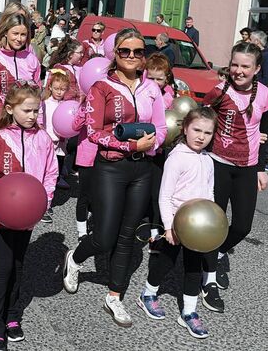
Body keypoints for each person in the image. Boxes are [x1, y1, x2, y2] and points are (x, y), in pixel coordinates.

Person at [62, 28, 167, 327]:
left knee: (128, 236)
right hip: (110, 167)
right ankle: (75, 258)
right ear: (114, 54)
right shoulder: (101, 87)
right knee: (105, 236)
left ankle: (115, 296)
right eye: (125, 51)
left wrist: (153, 144)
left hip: (142, 168)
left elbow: (160, 127)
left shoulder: (152, 89)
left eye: (138, 52)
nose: (132, 57)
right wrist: (131, 145)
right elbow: (94, 133)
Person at [0, 82, 58, 351]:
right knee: (3, 267)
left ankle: (12, 316)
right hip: (0, 215)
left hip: (29, 215)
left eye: (36, 111)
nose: (32, 116)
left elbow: (50, 173)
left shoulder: (44, 138)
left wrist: (44, 201)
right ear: (10, 109)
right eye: (26, 110)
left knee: (19, 265)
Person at [202, 41, 268, 313]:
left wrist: (262, 168)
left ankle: (220, 253)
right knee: (213, 226)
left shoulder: (265, 95)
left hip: (247, 167)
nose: (238, 71)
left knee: (243, 226)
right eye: (235, 65)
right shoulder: (218, 91)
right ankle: (207, 279)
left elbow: (266, 133)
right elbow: (201, 123)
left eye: (245, 66)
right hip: (218, 165)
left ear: (256, 69)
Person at [137, 107, 217, 340]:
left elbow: (209, 193)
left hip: (198, 226)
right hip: (176, 222)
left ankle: (189, 312)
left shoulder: (208, 160)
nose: (201, 136)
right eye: (197, 130)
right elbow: (165, 196)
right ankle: (148, 294)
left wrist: (210, 222)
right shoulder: (177, 157)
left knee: (194, 266)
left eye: (208, 133)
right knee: (166, 261)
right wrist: (169, 226)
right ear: (185, 128)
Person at [0, 14, 41, 130]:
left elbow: (38, 95)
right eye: (15, 33)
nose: (19, 39)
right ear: (6, 32)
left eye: (23, 35)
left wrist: (39, 123)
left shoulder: (32, 60)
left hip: (23, 124)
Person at [144, 53, 176, 251]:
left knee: (158, 192)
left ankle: (156, 232)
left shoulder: (169, 96)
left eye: (159, 79)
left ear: (167, 79)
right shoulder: (141, 91)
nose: (155, 83)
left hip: (159, 151)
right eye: (151, 78)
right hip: (141, 147)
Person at [39, 70, 72, 219]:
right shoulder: (45, 104)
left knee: (54, 175)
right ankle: (42, 204)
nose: (59, 92)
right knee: (44, 174)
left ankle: (47, 203)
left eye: (63, 89)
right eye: (57, 88)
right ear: (50, 87)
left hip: (60, 145)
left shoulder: (67, 105)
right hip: (46, 144)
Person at [71, 98, 98, 241]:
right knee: (84, 196)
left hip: (104, 159)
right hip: (86, 159)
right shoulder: (84, 107)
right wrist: (85, 110)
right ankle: (82, 231)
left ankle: (99, 224)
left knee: (99, 196)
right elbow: (75, 126)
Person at [47, 37, 84, 102]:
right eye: (79, 52)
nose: (82, 54)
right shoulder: (60, 68)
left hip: (81, 104)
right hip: (66, 104)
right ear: (70, 54)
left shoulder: (82, 67)